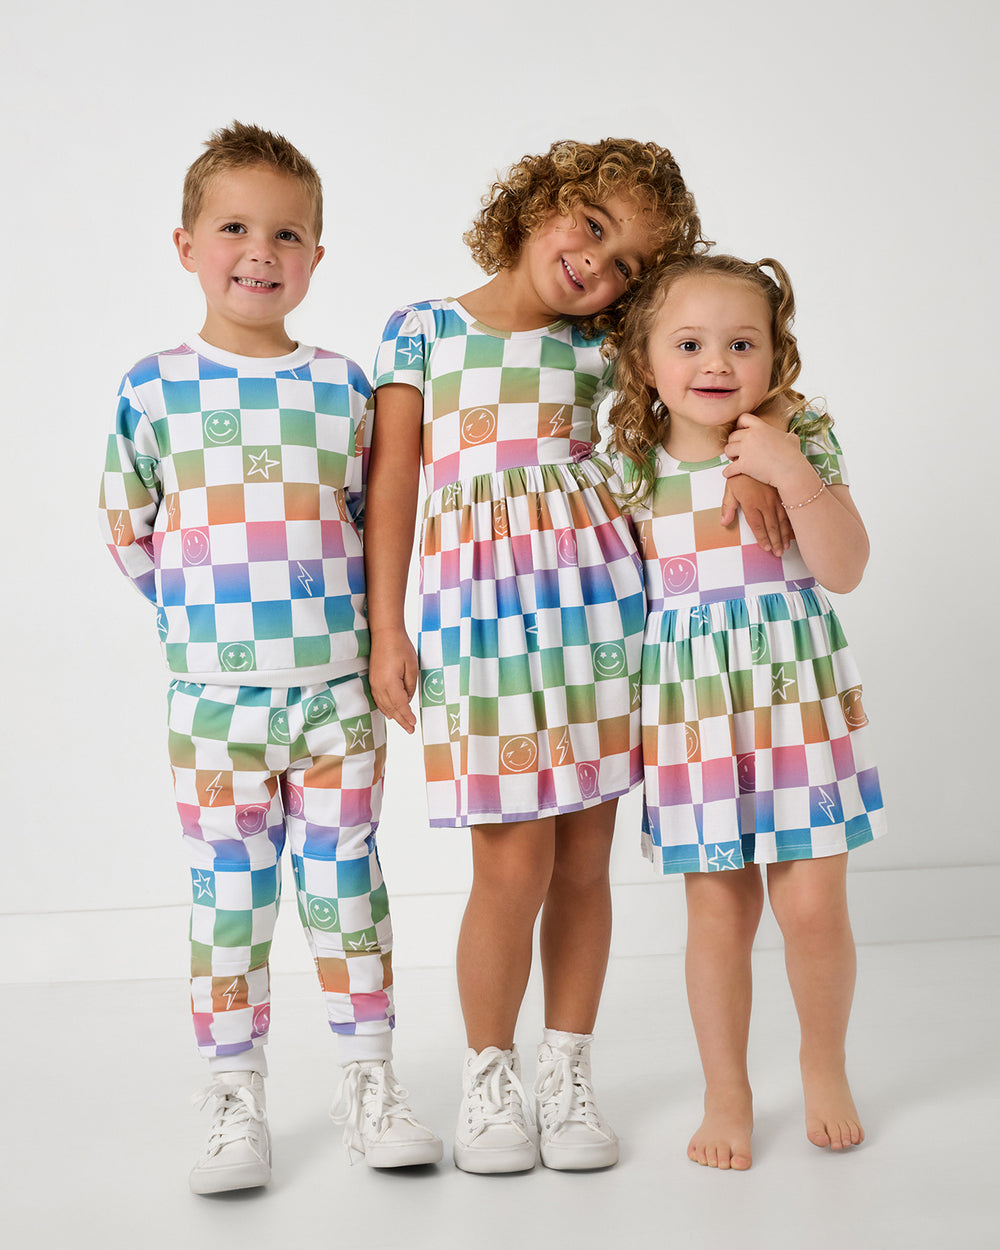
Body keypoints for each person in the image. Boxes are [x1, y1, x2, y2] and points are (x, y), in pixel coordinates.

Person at [365, 140, 784, 1173]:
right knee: (511, 861)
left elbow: (724, 372)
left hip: (604, 615)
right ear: (538, 204)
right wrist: (387, 626)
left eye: (630, 265)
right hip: (480, 625)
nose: (599, 267)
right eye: (591, 229)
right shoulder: (421, 330)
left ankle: (567, 1066)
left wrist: (773, 435)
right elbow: (394, 487)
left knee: (586, 862)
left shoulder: (611, 349)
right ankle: (489, 1073)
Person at [98, 121, 441, 1194]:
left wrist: (357, 637)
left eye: (286, 232)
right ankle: (231, 1093)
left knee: (349, 888)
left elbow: (370, 519)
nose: (260, 249)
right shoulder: (154, 386)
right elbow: (125, 523)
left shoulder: (344, 387)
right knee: (229, 897)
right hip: (214, 705)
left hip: (336, 696)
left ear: (316, 258)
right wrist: (201, 621)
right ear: (186, 244)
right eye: (235, 226)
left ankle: (368, 1079)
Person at [609, 252, 887, 1170]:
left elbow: (843, 567)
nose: (716, 362)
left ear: (776, 358)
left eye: (742, 342)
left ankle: (823, 1062)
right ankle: (725, 1087)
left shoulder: (801, 441)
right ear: (647, 363)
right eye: (689, 344)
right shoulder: (630, 470)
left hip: (796, 704)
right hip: (695, 716)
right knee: (719, 916)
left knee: (812, 910)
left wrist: (780, 460)